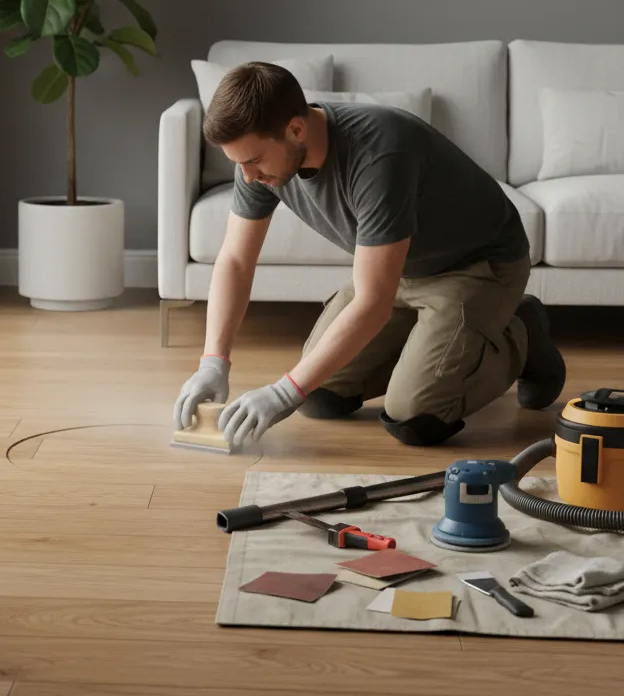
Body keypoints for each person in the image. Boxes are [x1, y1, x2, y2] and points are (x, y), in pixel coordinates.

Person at [173, 61, 566, 449]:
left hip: (476, 266)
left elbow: (372, 304)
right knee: (320, 395)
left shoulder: (379, 153)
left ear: (295, 129)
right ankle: (438, 346)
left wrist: (281, 393)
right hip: (398, 268)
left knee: (416, 416)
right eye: (237, 163)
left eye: (253, 161)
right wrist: (213, 361)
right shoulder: (262, 158)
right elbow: (236, 261)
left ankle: (522, 332)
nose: (247, 177)